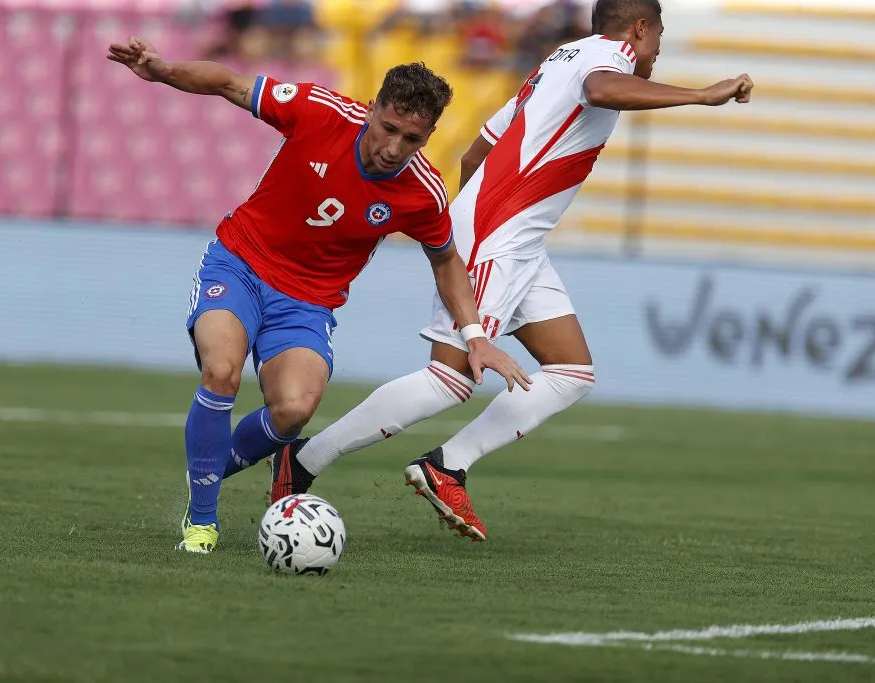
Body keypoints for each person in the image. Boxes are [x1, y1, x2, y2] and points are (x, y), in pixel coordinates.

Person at [269, 0, 753, 542]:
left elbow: (475, 154)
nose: (655, 53)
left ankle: (447, 465)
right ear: (640, 28)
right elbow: (600, 89)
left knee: (571, 373)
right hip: (500, 233)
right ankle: (303, 461)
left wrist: (485, 220)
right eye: (657, 39)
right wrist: (701, 95)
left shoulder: (558, 61)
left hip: (514, 238)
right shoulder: (605, 60)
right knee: (450, 379)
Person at [106, 38, 530, 553]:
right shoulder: (319, 111)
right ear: (371, 109)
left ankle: (208, 470)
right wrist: (164, 70)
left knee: (294, 410)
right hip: (240, 262)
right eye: (388, 128)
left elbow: (447, 262)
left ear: (429, 136)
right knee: (221, 370)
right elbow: (229, 83)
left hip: (307, 301)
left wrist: (475, 335)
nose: (394, 148)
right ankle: (202, 521)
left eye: (412, 139)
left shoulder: (423, 193)